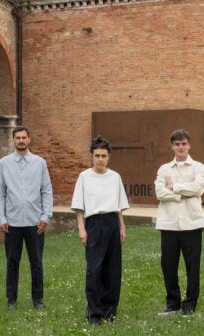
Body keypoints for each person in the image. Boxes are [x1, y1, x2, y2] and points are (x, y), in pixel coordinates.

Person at [71, 136, 130, 325]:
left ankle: (109, 310)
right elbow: (79, 206)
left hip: (112, 222)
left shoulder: (115, 177)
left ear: (109, 156)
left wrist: (122, 226)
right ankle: (94, 312)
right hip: (93, 224)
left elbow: (119, 206)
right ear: (91, 156)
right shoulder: (84, 177)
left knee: (112, 269)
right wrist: (82, 229)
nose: (100, 159)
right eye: (96, 155)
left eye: (103, 155)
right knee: (94, 269)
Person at [0, 126, 53, 310]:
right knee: (12, 263)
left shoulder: (40, 163)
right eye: (18, 137)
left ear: (29, 140)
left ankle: (38, 301)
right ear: (13, 140)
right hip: (12, 223)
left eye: (24, 137)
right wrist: (1, 217)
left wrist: (46, 216)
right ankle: (11, 301)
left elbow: (46, 190)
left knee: (37, 263)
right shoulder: (4, 163)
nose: (21, 140)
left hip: (36, 222)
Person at [154, 129, 204, 315]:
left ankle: (190, 305)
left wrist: (174, 187)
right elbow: (159, 193)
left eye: (184, 143)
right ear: (172, 146)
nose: (180, 147)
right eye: (177, 144)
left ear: (189, 145)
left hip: (192, 224)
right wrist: (182, 194)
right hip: (168, 224)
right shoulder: (164, 169)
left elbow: (197, 188)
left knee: (193, 267)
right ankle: (173, 304)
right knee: (169, 266)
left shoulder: (198, 167)